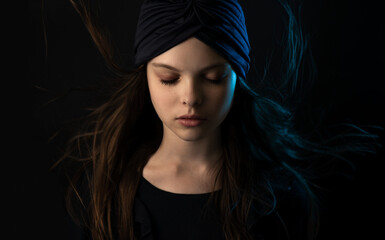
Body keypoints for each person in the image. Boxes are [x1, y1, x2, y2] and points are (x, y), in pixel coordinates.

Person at [54, 0, 380, 240]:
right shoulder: (102, 194)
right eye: (169, 78)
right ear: (146, 77)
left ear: (237, 78)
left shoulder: (281, 198)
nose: (191, 97)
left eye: (212, 77)